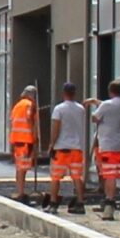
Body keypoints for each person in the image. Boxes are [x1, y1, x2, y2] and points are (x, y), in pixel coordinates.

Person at [94, 78, 120, 217]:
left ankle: (109, 200)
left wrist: (97, 105)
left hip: (108, 145)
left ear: (110, 91)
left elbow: (95, 117)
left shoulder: (106, 105)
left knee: (110, 174)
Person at [48, 83, 89, 214]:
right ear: (74, 93)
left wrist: (51, 144)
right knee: (77, 177)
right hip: (76, 148)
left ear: (63, 93)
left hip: (61, 148)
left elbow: (55, 128)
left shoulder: (59, 109)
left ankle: (53, 203)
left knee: (56, 177)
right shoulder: (80, 109)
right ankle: (80, 203)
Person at [8, 85, 39, 204]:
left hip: (17, 141)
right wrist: (36, 139)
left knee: (20, 168)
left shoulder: (17, 105)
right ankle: (21, 194)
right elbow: (31, 120)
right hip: (26, 141)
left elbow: (12, 123)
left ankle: (20, 191)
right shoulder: (30, 105)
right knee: (22, 168)